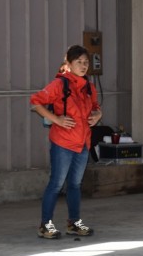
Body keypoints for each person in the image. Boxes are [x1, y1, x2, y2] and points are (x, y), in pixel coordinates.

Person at [30, 45, 102, 239]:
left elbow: (95, 107)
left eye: (86, 62)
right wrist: (57, 120)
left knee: (75, 185)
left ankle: (74, 223)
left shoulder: (89, 88)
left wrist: (98, 114)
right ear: (68, 64)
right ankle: (45, 225)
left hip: (83, 143)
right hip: (63, 143)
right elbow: (35, 102)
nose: (83, 65)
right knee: (56, 184)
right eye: (79, 62)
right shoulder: (59, 84)